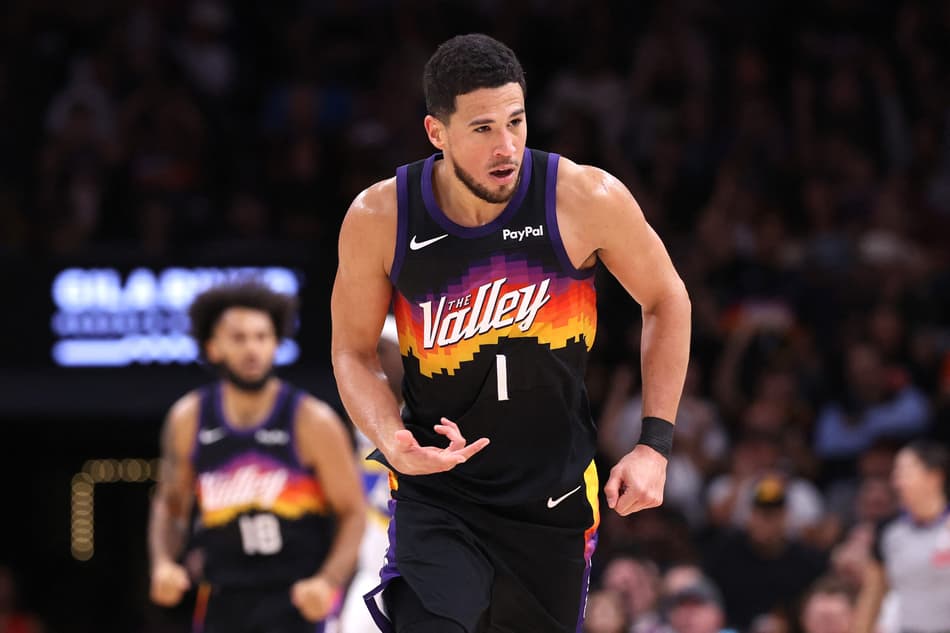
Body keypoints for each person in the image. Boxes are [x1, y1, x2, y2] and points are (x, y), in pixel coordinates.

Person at [331, 33, 691, 633]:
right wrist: (390, 437)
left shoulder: (582, 196)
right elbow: (351, 349)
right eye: (481, 129)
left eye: (516, 121)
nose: (506, 147)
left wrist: (654, 443)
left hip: (552, 497)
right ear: (436, 133)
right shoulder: (381, 217)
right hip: (441, 493)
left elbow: (666, 299)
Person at [148, 281, 366, 633]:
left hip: (298, 597)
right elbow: (171, 505)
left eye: (262, 337)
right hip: (222, 596)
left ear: (276, 344)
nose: (253, 349)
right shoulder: (189, 418)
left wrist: (328, 581)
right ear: (212, 347)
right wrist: (163, 563)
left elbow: (354, 513)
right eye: (239, 338)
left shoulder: (312, 420)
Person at [853, 439, 950, 633]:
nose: (896, 482)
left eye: (905, 472)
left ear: (934, 476)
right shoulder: (888, 531)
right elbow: (872, 595)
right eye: (895, 474)